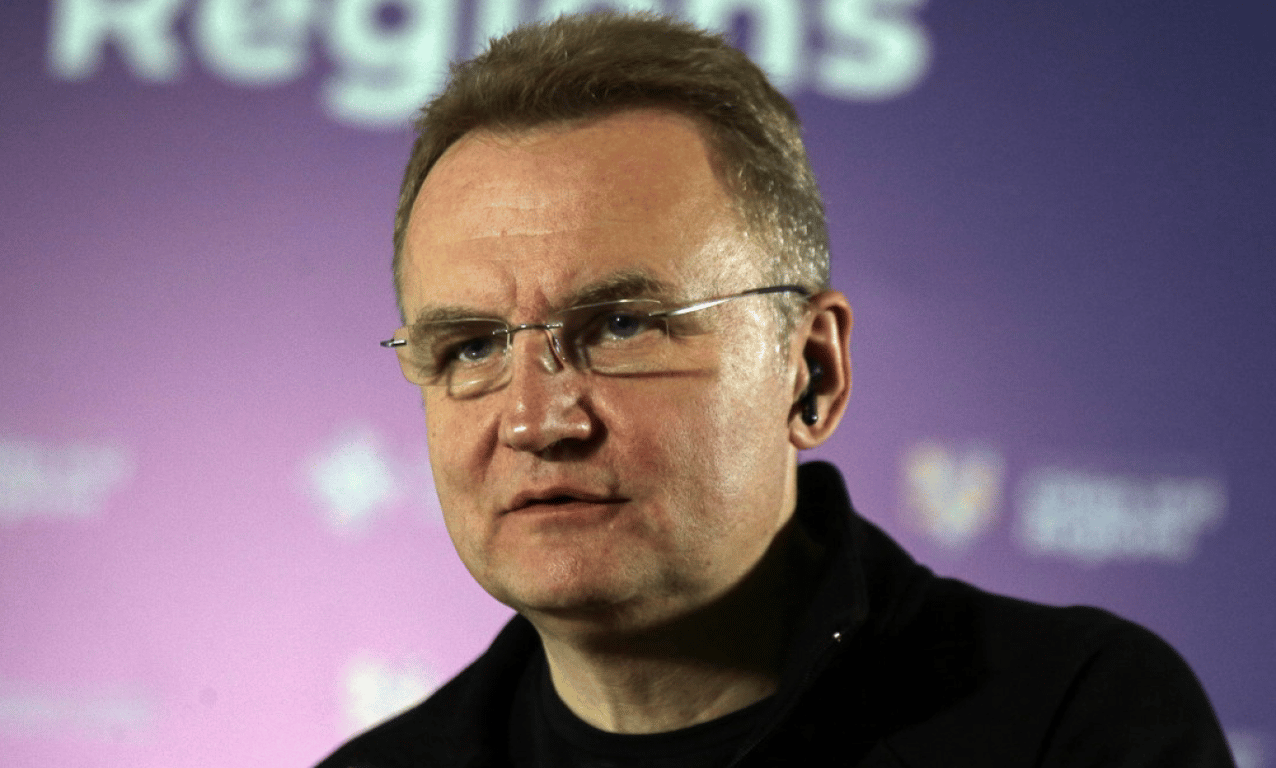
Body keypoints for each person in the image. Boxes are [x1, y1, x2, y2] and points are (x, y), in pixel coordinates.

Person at [316, 11, 1234, 768]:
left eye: (622, 325)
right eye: (472, 346)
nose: (533, 419)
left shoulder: (1077, 722)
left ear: (810, 371)